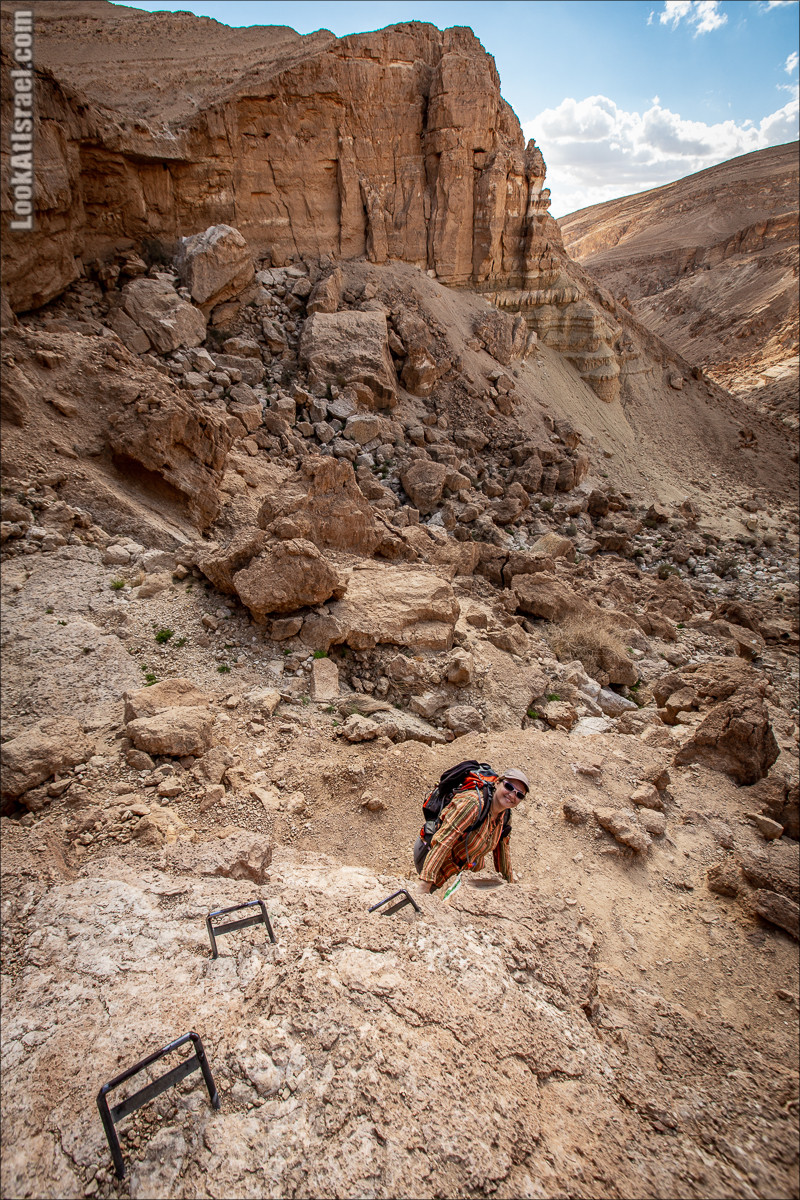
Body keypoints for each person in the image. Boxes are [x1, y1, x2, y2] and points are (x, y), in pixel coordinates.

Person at [414, 767, 530, 895]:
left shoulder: (505, 817)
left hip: (461, 874)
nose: (512, 795)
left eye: (519, 795)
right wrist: (425, 883)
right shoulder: (473, 804)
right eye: (509, 787)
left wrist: (510, 890)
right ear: (497, 783)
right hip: (435, 863)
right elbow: (444, 840)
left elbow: (503, 855)